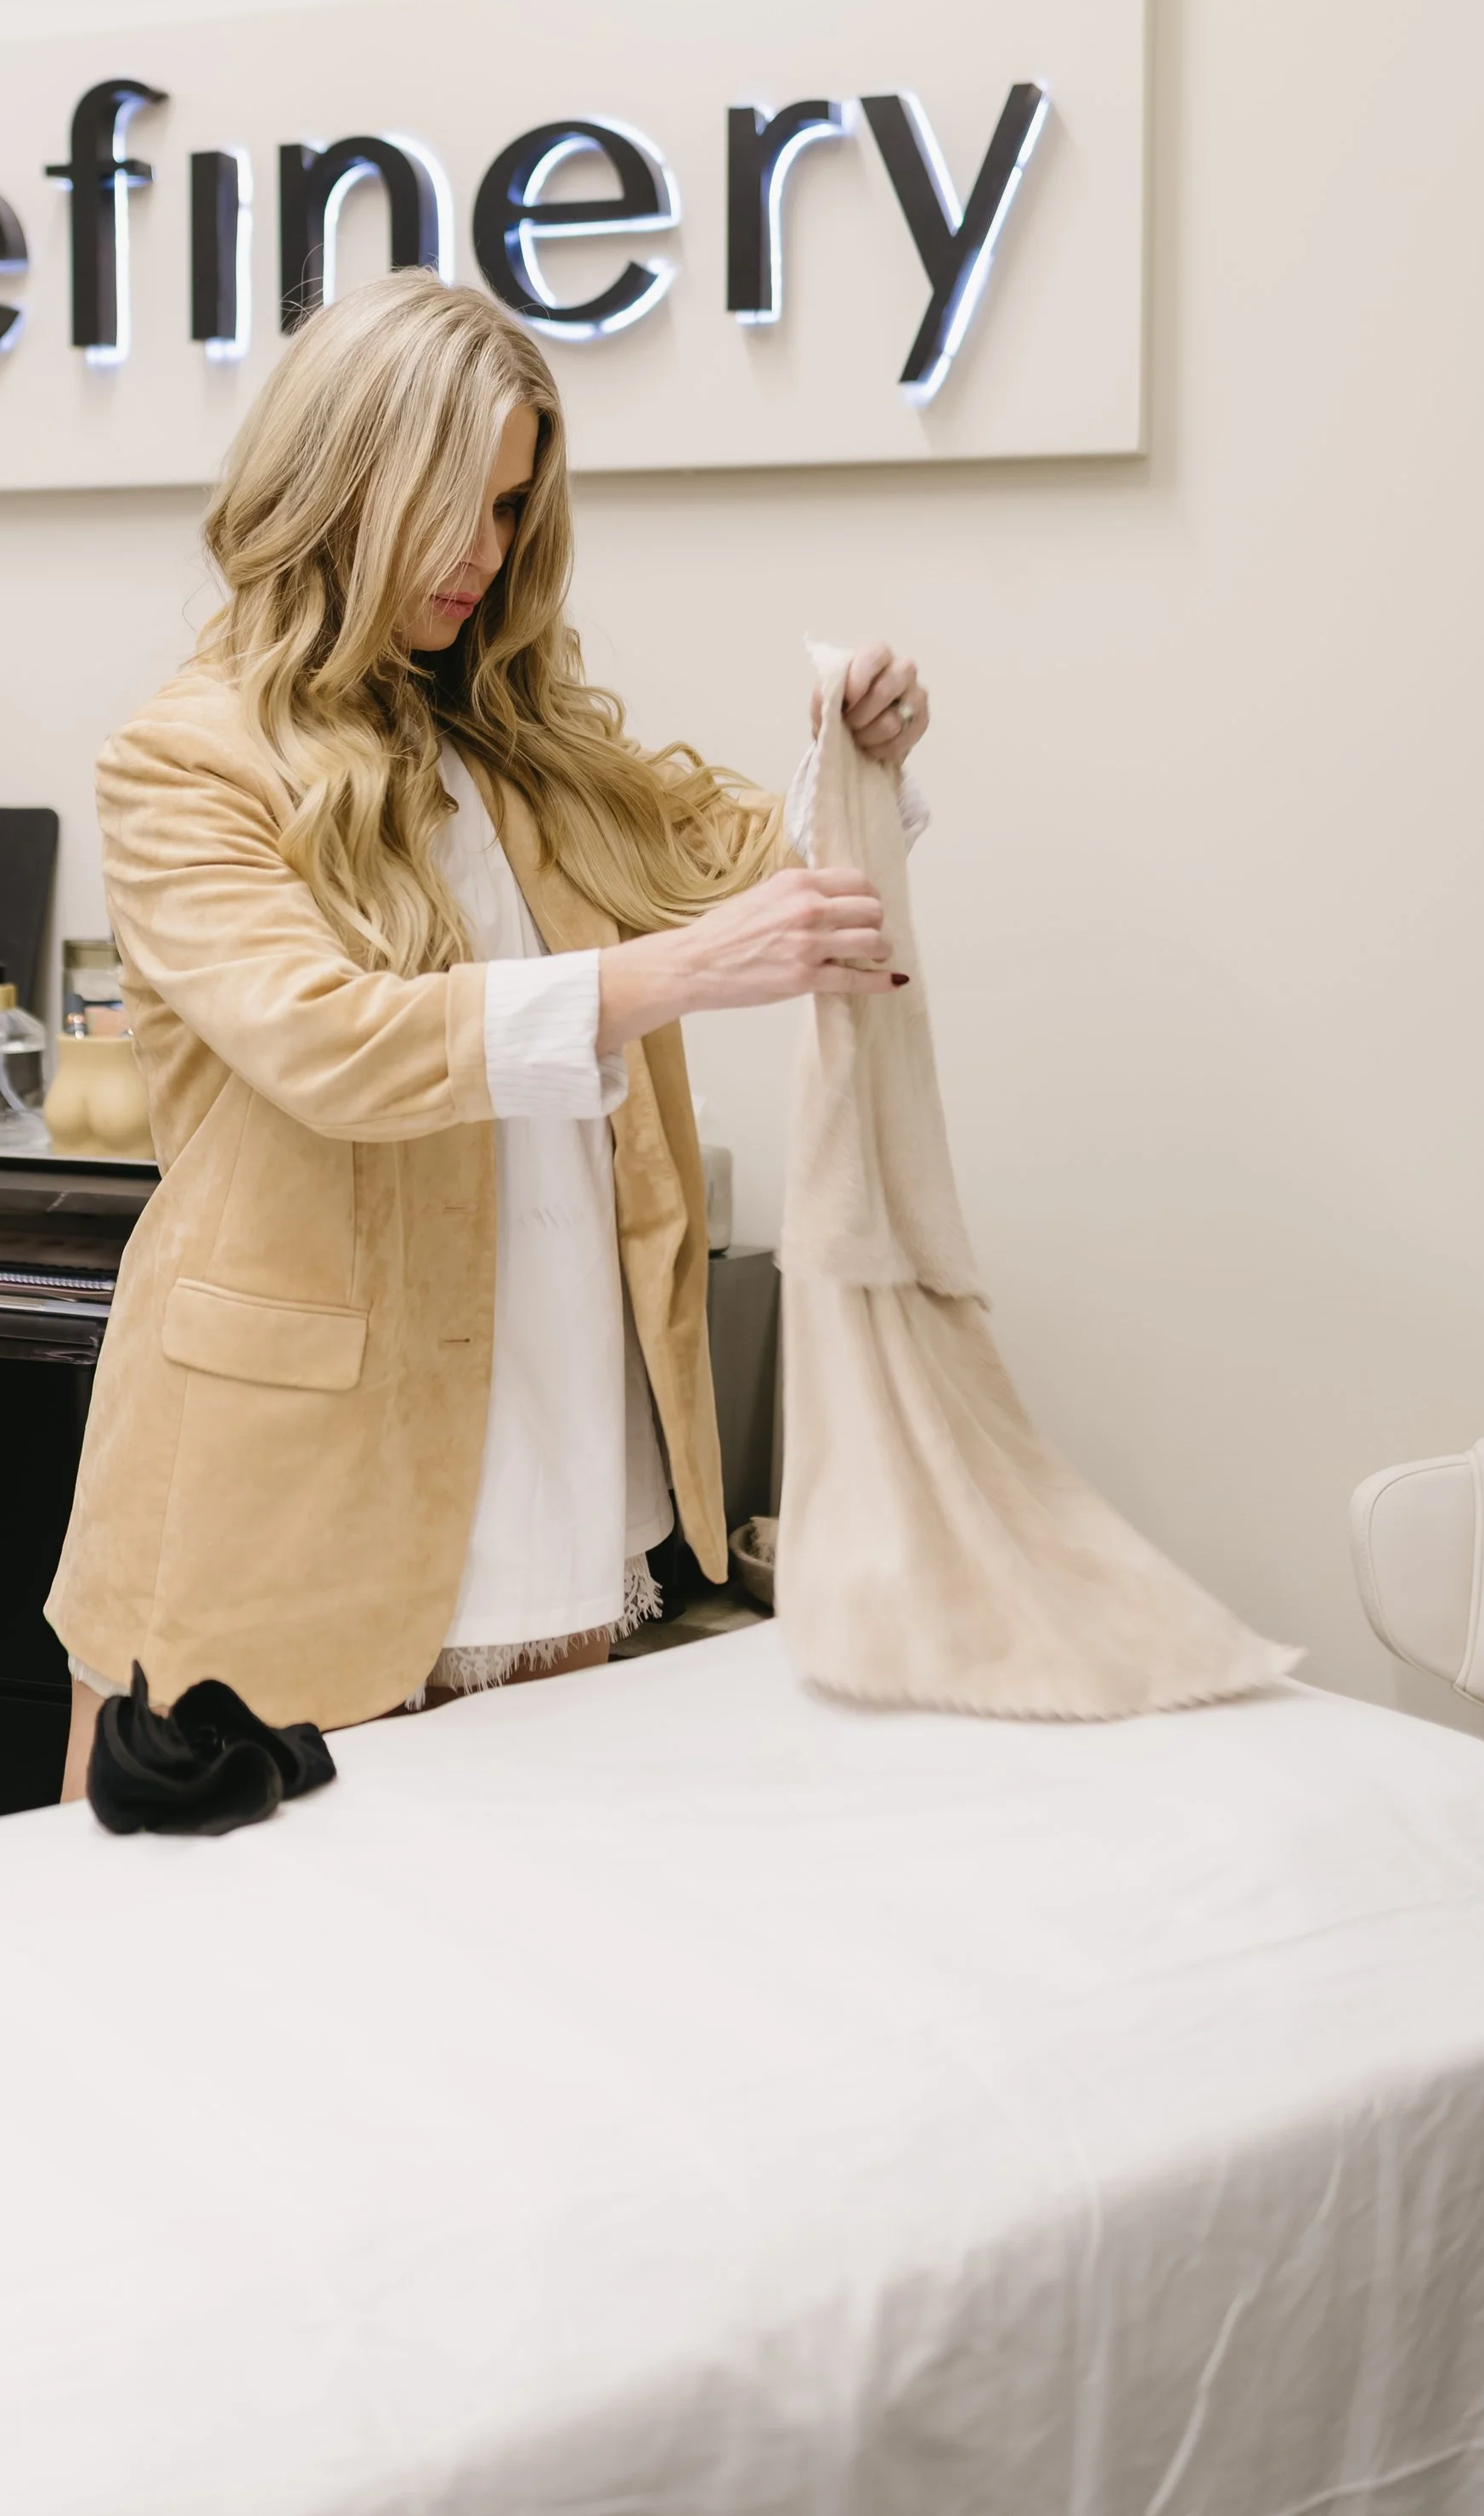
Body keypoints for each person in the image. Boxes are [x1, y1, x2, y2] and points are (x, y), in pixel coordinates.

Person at [48, 271, 928, 1797]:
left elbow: (755, 866)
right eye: (450, 504)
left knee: (508, 1964)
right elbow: (331, 1042)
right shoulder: (184, 761)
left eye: (512, 508)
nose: (482, 552)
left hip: (553, 1430)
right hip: (295, 1484)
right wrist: (664, 978)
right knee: (204, 1985)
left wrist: (851, 751)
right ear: (341, 482)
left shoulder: (513, 746)